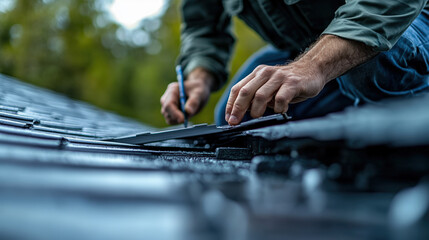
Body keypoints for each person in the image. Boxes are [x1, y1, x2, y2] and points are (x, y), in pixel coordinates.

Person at [160, 0, 429, 126]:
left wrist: (313, 66)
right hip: (315, 47)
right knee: (240, 116)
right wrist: (198, 77)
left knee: (365, 65)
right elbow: (203, 26)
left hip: (405, 21)